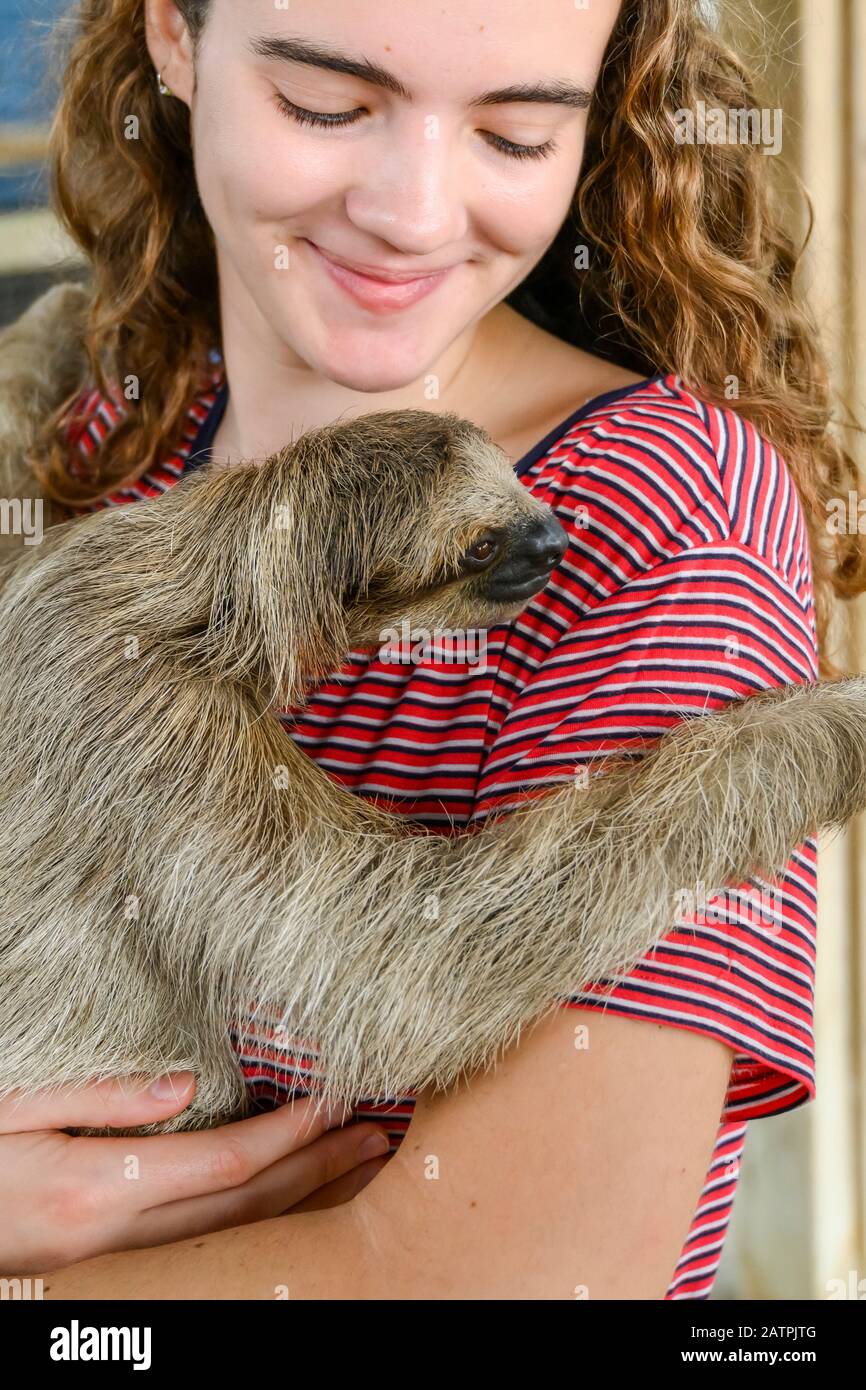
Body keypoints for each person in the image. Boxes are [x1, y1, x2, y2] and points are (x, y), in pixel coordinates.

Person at [3, 0, 862, 1299]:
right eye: (324, 105)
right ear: (172, 40)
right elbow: (423, 971)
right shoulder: (95, 502)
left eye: (515, 131)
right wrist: (816, 742)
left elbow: (515, 1276)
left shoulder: (665, 500)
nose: (409, 213)